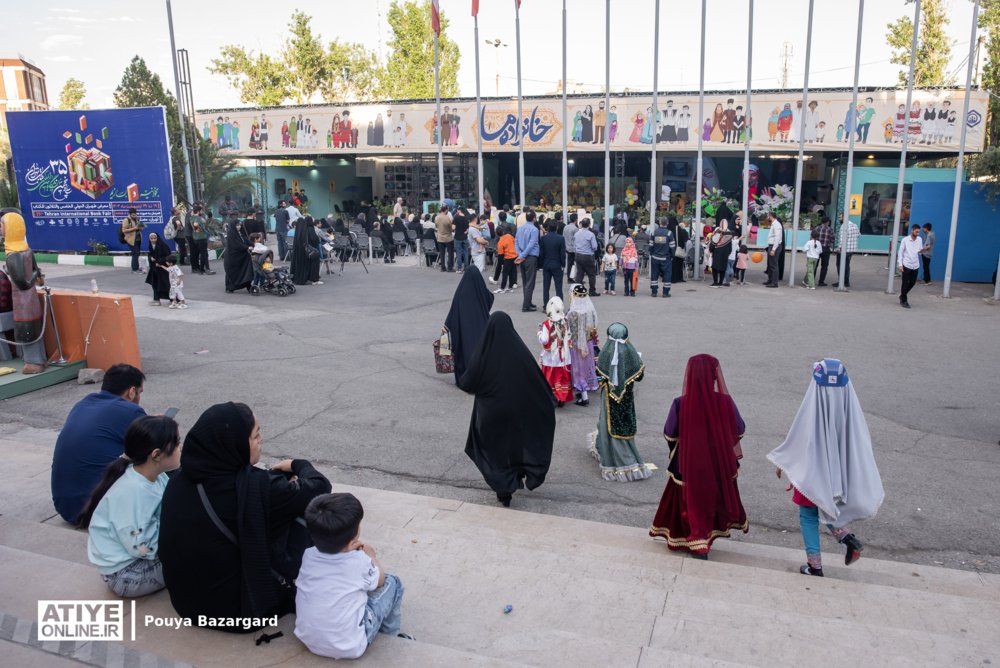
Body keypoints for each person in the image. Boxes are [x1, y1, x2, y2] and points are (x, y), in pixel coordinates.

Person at [159, 403, 332, 631]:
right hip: (241, 613)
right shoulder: (257, 489)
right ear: (235, 443)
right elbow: (320, 487)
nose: (261, 439)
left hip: (187, 607)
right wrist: (297, 464)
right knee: (311, 514)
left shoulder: (179, 479)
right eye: (255, 435)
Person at [767, 359, 882, 576]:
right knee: (827, 506)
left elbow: (802, 439)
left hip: (813, 472)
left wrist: (786, 463)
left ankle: (815, 566)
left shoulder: (814, 407)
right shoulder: (850, 409)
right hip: (838, 474)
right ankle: (846, 538)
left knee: (809, 515)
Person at [650, 354, 747, 558]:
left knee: (689, 502)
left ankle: (696, 541)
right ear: (714, 376)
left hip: (688, 462)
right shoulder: (726, 401)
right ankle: (707, 537)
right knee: (712, 498)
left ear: (690, 376)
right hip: (717, 462)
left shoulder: (680, 403)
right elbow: (739, 429)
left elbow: (670, 433)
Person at [294, 493, 412, 659]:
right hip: (350, 646)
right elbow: (381, 581)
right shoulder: (359, 560)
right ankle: (391, 637)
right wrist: (371, 556)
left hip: (309, 639)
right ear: (351, 542)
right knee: (393, 582)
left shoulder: (308, 554)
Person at [458, 312, 555, 507]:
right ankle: (519, 474)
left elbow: (467, 383)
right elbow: (541, 387)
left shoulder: (485, 352)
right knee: (514, 444)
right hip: (517, 414)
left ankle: (503, 490)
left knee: (495, 449)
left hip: (491, 415)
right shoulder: (520, 352)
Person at [77, 415, 181, 597]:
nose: (181, 448)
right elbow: (142, 547)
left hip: (132, 561)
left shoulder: (152, 475)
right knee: (198, 554)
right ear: (156, 455)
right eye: (177, 443)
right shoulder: (134, 491)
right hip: (127, 575)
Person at [51, 364, 147, 523]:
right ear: (131, 392)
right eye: (140, 392)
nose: (139, 398)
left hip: (67, 508)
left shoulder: (81, 404)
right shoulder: (131, 411)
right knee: (158, 458)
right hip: (99, 512)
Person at [588, 323, 650, 482]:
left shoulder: (606, 352)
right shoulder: (630, 352)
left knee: (607, 422)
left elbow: (599, 374)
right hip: (626, 398)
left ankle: (609, 456)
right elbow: (640, 375)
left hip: (608, 397)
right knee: (624, 424)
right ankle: (626, 458)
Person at [443, 265, 494, 386]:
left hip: (464, 330)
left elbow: (454, 309)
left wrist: (447, 325)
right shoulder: (481, 291)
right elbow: (491, 298)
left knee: (464, 351)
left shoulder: (461, 292)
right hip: (481, 328)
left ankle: (466, 378)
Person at [567, 284, 599, 407]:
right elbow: (594, 326)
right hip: (588, 344)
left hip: (576, 346)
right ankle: (580, 390)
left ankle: (584, 396)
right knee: (586, 367)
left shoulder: (572, 313)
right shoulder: (590, 310)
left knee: (578, 369)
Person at [538, 297, 574, 407]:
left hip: (551, 354)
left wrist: (539, 333)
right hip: (563, 353)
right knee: (561, 376)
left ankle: (551, 397)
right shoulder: (565, 321)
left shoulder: (547, 323)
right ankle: (561, 398)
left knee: (550, 375)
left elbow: (544, 340)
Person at [514, 211, 540, 312]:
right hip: (530, 257)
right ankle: (526, 305)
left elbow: (516, 242)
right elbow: (531, 244)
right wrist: (523, 255)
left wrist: (520, 255)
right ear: (534, 218)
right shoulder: (534, 229)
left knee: (525, 281)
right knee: (530, 282)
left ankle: (528, 301)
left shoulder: (520, 228)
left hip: (522, 257)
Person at [223, 219, 256, 294]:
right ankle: (230, 287)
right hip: (233, 257)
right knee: (232, 272)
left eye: (240, 225)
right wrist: (246, 247)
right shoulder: (231, 233)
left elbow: (245, 240)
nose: (239, 227)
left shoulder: (239, 233)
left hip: (241, 256)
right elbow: (236, 244)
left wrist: (253, 245)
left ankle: (248, 285)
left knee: (246, 270)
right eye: (237, 225)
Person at [538, 220, 566, 305]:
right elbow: (562, 253)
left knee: (546, 287)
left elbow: (541, 253)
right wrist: (563, 264)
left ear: (548, 228)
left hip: (546, 263)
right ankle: (559, 305)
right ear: (557, 227)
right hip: (557, 263)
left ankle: (545, 306)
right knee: (558, 287)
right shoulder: (561, 238)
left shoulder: (543, 238)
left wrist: (541, 264)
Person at [897, 224, 924, 309]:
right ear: (912, 230)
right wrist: (900, 264)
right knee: (905, 283)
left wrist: (922, 250)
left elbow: (919, 250)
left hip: (915, 264)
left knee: (912, 282)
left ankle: (902, 295)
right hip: (907, 263)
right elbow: (900, 252)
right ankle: (904, 300)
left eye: (919, 232)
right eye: (916, 232)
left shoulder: (919, 239)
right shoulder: (905, 240)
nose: (918, 233)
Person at [292, 216, 322, 286]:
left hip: (305, 251)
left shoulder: (302, 230)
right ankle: (315, 279)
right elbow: (315, 239)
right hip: (312, 250)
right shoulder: (310, 229)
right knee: (314, 264)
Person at [573, 218, 600, 296]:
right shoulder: (591, 234)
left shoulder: (577, 234)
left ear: (581, 224)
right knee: (591, 273)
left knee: (579, 274)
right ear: (589, 225)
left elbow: (574, 246)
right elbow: (595, 246)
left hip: (578, 255)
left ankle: (578, 290)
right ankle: (592, 291)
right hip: (587, 255)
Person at [649, 218, 675, 297]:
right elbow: (672, 247)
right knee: (667, 275)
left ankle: (654, 292)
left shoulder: (653, 233)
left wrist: (651, 253)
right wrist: (672, 256)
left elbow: (651, 246)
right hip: (666, 258)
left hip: (655, 258)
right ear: (667, 223)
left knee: (654, 274)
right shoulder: (669, 233)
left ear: (659, 223)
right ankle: (665, 293)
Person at [145, 232, 171, 306]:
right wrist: (151, 258)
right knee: (155, 283)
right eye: (151, 238)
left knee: (166, 283)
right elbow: (150, 253)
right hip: (155, 268)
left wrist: (159, 262)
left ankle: (173, 299)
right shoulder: (151, 245)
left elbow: (167, 255)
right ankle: (156, 299)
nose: (153, 240)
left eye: (154, 238)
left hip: (162, 268)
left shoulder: (162, 245)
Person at [834, 214, 860, 289]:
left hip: (844, 250)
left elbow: (841, 239)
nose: (839, 219)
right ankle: (846, 281)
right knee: (847, 265)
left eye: (840, 217)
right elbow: (858, 234)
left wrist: (839, 248)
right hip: (851, 249)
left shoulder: (843, 226)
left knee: (840, 265)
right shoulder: (854, 225)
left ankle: (841, 281)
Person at [708, 223, 735, 288]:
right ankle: (720, 283)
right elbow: (730, 247)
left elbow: (713, 243)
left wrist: (711, 250)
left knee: (714, 268)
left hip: (717, 252)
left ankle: (715, 283)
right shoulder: (729, 235)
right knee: (723, 268)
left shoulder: (717, 232)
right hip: (725, 254)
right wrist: (727, 253)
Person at [190, 205, 215, 275]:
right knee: (204, 254)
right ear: (198, 211)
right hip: (201, 237)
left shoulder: (191, 217)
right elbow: (195, 224)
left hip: (196, 237)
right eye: (201, 211)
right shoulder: (197, 218)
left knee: (198, 253)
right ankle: (202, 269)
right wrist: (199, 228)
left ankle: (200, 268)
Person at [495, 223, 518, 293]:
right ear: (503, 232)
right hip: (514, 255)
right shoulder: (509, 236)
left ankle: (502, 288)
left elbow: (500, 255)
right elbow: (515, 241)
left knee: (505, 273)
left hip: (507, 257)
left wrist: (501, 263)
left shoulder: (500, 243)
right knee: (512, 271)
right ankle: (510, 286)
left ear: (496, 233)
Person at [122, 208, 144, 274]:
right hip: (131, 239)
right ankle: (135, 268)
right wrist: (134, 228)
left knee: (137, 254)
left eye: (135, 215)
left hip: (138, 239)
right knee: (135, 253)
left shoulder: (137, 220)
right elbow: (124, 230)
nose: (135, 216)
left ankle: (135, 268)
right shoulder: (127, 220)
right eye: (133, 215)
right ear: (130, 214)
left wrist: (140, 228)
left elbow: (142, 229)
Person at [764, 212, 783, 288]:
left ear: (771, 216)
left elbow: (777, 238)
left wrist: (773, 249)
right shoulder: (773, 224)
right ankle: (770, 279)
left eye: (768, 216)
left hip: (774, 246)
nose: (767, 217)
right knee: (770, 264)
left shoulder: (777, 225)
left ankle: (774, 282)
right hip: (771, 245)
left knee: (774, 265)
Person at [815, 216, 834, 286]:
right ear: (828, 222)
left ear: (821, 221)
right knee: (824, 266)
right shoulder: (830, 230)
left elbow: (812, 237)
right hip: (826, 248)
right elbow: (833, 240)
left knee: (815, 265)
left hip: (816, 248)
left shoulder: (816, 228)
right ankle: (821, 281)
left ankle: (811, 280)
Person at [435, 205, 455, 272]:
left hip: (440, 238)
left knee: (442, 253)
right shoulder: (447, 219)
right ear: (446, 210)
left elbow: (436, 226)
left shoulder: (436, 218)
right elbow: (451, 229)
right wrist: (452, 222)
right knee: (450, 253)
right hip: (448, 238)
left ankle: (442, 267)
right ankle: (449, 267)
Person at [669, 217, 689, 284]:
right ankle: (679, 277)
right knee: (678, 265)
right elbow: (682, 239)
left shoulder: (668, 229)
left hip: (670, 250)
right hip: (678, 249)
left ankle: (671, 278)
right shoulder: (678, 228)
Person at [563, 213, 579, 283]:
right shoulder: (575, 228)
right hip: (574, 248)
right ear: (576, 219)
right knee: (576, 264)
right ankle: (576, 277)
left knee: (569, 263)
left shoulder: (566, 227)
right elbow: (576, 240)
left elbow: (563, 237)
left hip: (567, 247)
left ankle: (569, 278)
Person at [453, 207, 470, 272]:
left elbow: (453, 227)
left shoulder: (456, 218)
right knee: (466, 252)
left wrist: (454, 229)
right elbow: (468, 229)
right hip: (465, 238)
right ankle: (466, 267)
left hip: (458, 237)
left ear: (460, 211)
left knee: (459, 253)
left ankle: (459, 268)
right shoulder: (466, 219)